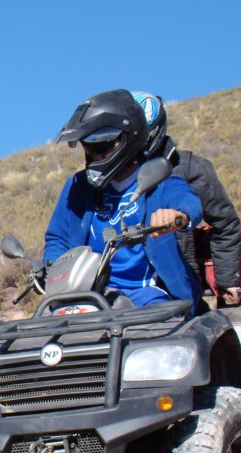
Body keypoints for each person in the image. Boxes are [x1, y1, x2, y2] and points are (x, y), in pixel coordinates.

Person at [44, 89, 203, 315]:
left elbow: (188, 202)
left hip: (144, 293)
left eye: (103, 146)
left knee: (158, 329)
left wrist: (177, 216)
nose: (96, 155)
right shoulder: (78, 187)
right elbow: (57, 238)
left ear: (129, 139)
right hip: (87, 292)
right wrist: (52, 268)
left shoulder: (159, 180)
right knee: (43, 328)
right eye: (89, 148)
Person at [132, 91, 241, 305]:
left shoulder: (190, 169)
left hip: (179, 286)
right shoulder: (111, 178)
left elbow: (225, 224)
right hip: (127, 286)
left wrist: (227, 280)